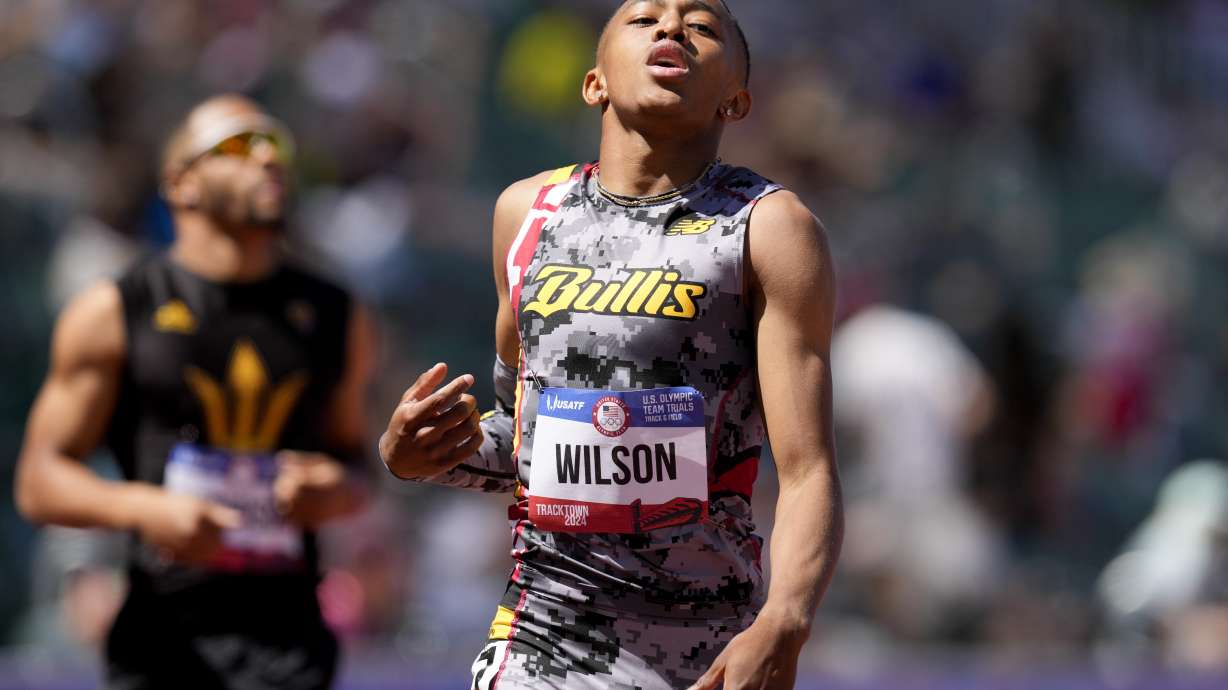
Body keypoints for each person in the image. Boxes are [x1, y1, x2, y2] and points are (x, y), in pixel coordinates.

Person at [380, 0, 843, 688]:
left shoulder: (767, 228)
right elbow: (520, 439)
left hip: (702, 646)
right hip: (542, 633)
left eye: (702, 25)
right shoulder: (526, 214)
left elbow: (807, 470)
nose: (671, 28)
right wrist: (416, 456)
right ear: (594, 81)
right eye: (644, 18)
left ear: (736, 100)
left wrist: (785, 618)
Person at [15, 94, 372, 690]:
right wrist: (145, 509)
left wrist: (334, 490)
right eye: (236, 145)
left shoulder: (336, 313)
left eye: (276, 146)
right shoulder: (116, 309)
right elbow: (38, 479)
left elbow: (355, 463)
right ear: (182, 183)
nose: (266, 157)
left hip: (289, 645)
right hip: (162, 641)